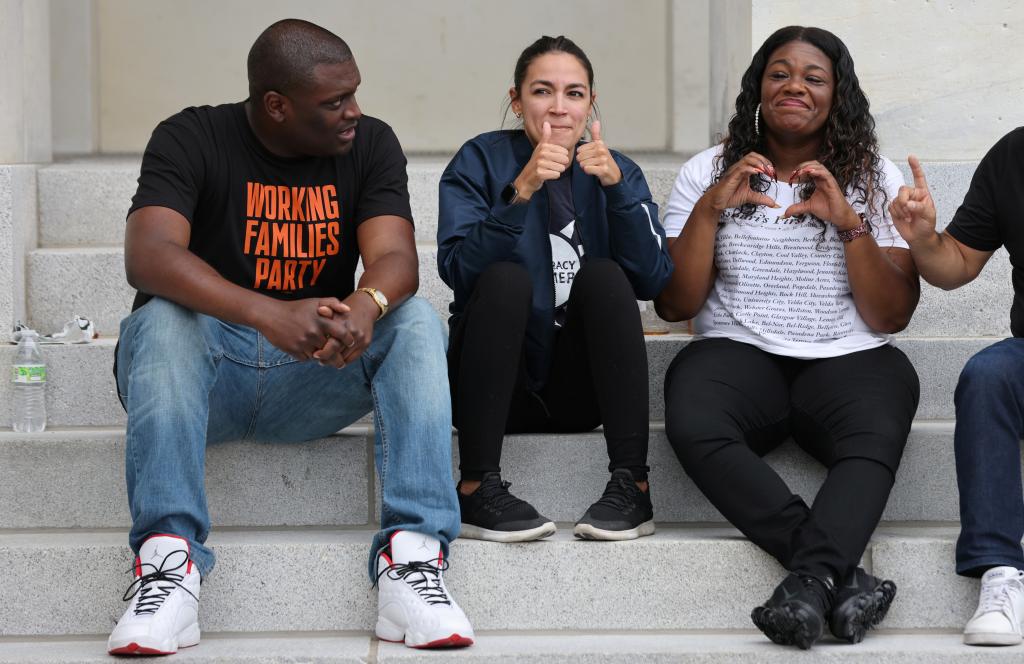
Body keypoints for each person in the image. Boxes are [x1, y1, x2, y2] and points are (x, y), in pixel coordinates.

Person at [106, 19, 473, 655]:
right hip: (204, 373)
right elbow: (150, 255)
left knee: (412, 319)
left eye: (354, 94)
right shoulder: (191, 136)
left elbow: (397, 260)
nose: (353, 112)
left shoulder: (371, 143)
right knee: (162, 316)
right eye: (334, 102)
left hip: (314, 376)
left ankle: (412, 561)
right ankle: (167, 568)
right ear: (276, 105)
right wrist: (268, 314)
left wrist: (366, 303)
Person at [656, 26, 920, 649]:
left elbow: (891, 316)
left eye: (813, 76)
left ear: (837, 94)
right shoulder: (707, 171)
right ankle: (837, 576)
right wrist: (710, 210)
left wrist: (851, 224)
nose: (794, 85)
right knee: (693, 414)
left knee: (881, 415)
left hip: (850, 357)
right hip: (740, 354)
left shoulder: (874, 177)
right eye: (779, 73)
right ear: (758, 87)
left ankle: (807, 583)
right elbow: (675, 304)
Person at [437, 35, 673, 543]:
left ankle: (632, 484)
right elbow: (456, 270)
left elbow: (655, 280)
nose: (559, 108)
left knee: (606, 275)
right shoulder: (479, 161)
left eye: (575, 93)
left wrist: (619, 194)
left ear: (591, 104)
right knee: (504, 278)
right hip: (493, 385)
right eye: (543, 92)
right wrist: (519, 192)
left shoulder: (616, 170)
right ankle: (476, 485)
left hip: (578, 391)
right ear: (517, 100)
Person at [889, 130, 1024, 646]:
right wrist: (924, 239)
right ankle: (1000, 573)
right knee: (988, 375)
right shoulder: (1014, 156)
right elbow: (959, 263)